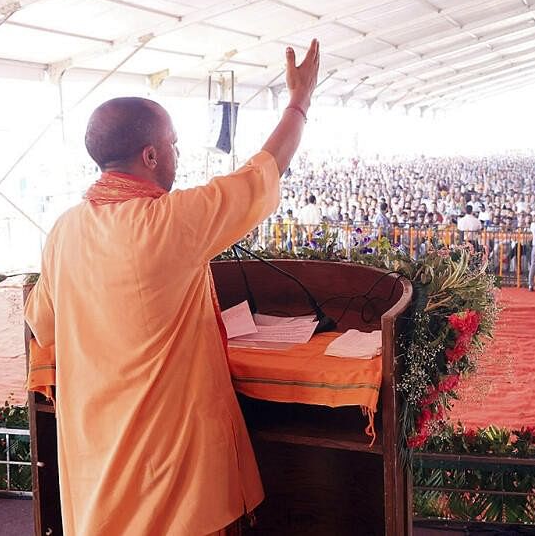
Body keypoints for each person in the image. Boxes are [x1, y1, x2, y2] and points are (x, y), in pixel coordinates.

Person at [24, 39, 321, 536]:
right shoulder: (169, 221)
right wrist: (300, 101)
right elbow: (261, 173)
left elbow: (43, 323)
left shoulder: (65, 232)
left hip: (97, 465)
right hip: (167, 473)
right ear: (151, 154)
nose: (178, 154)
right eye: (175, 145)